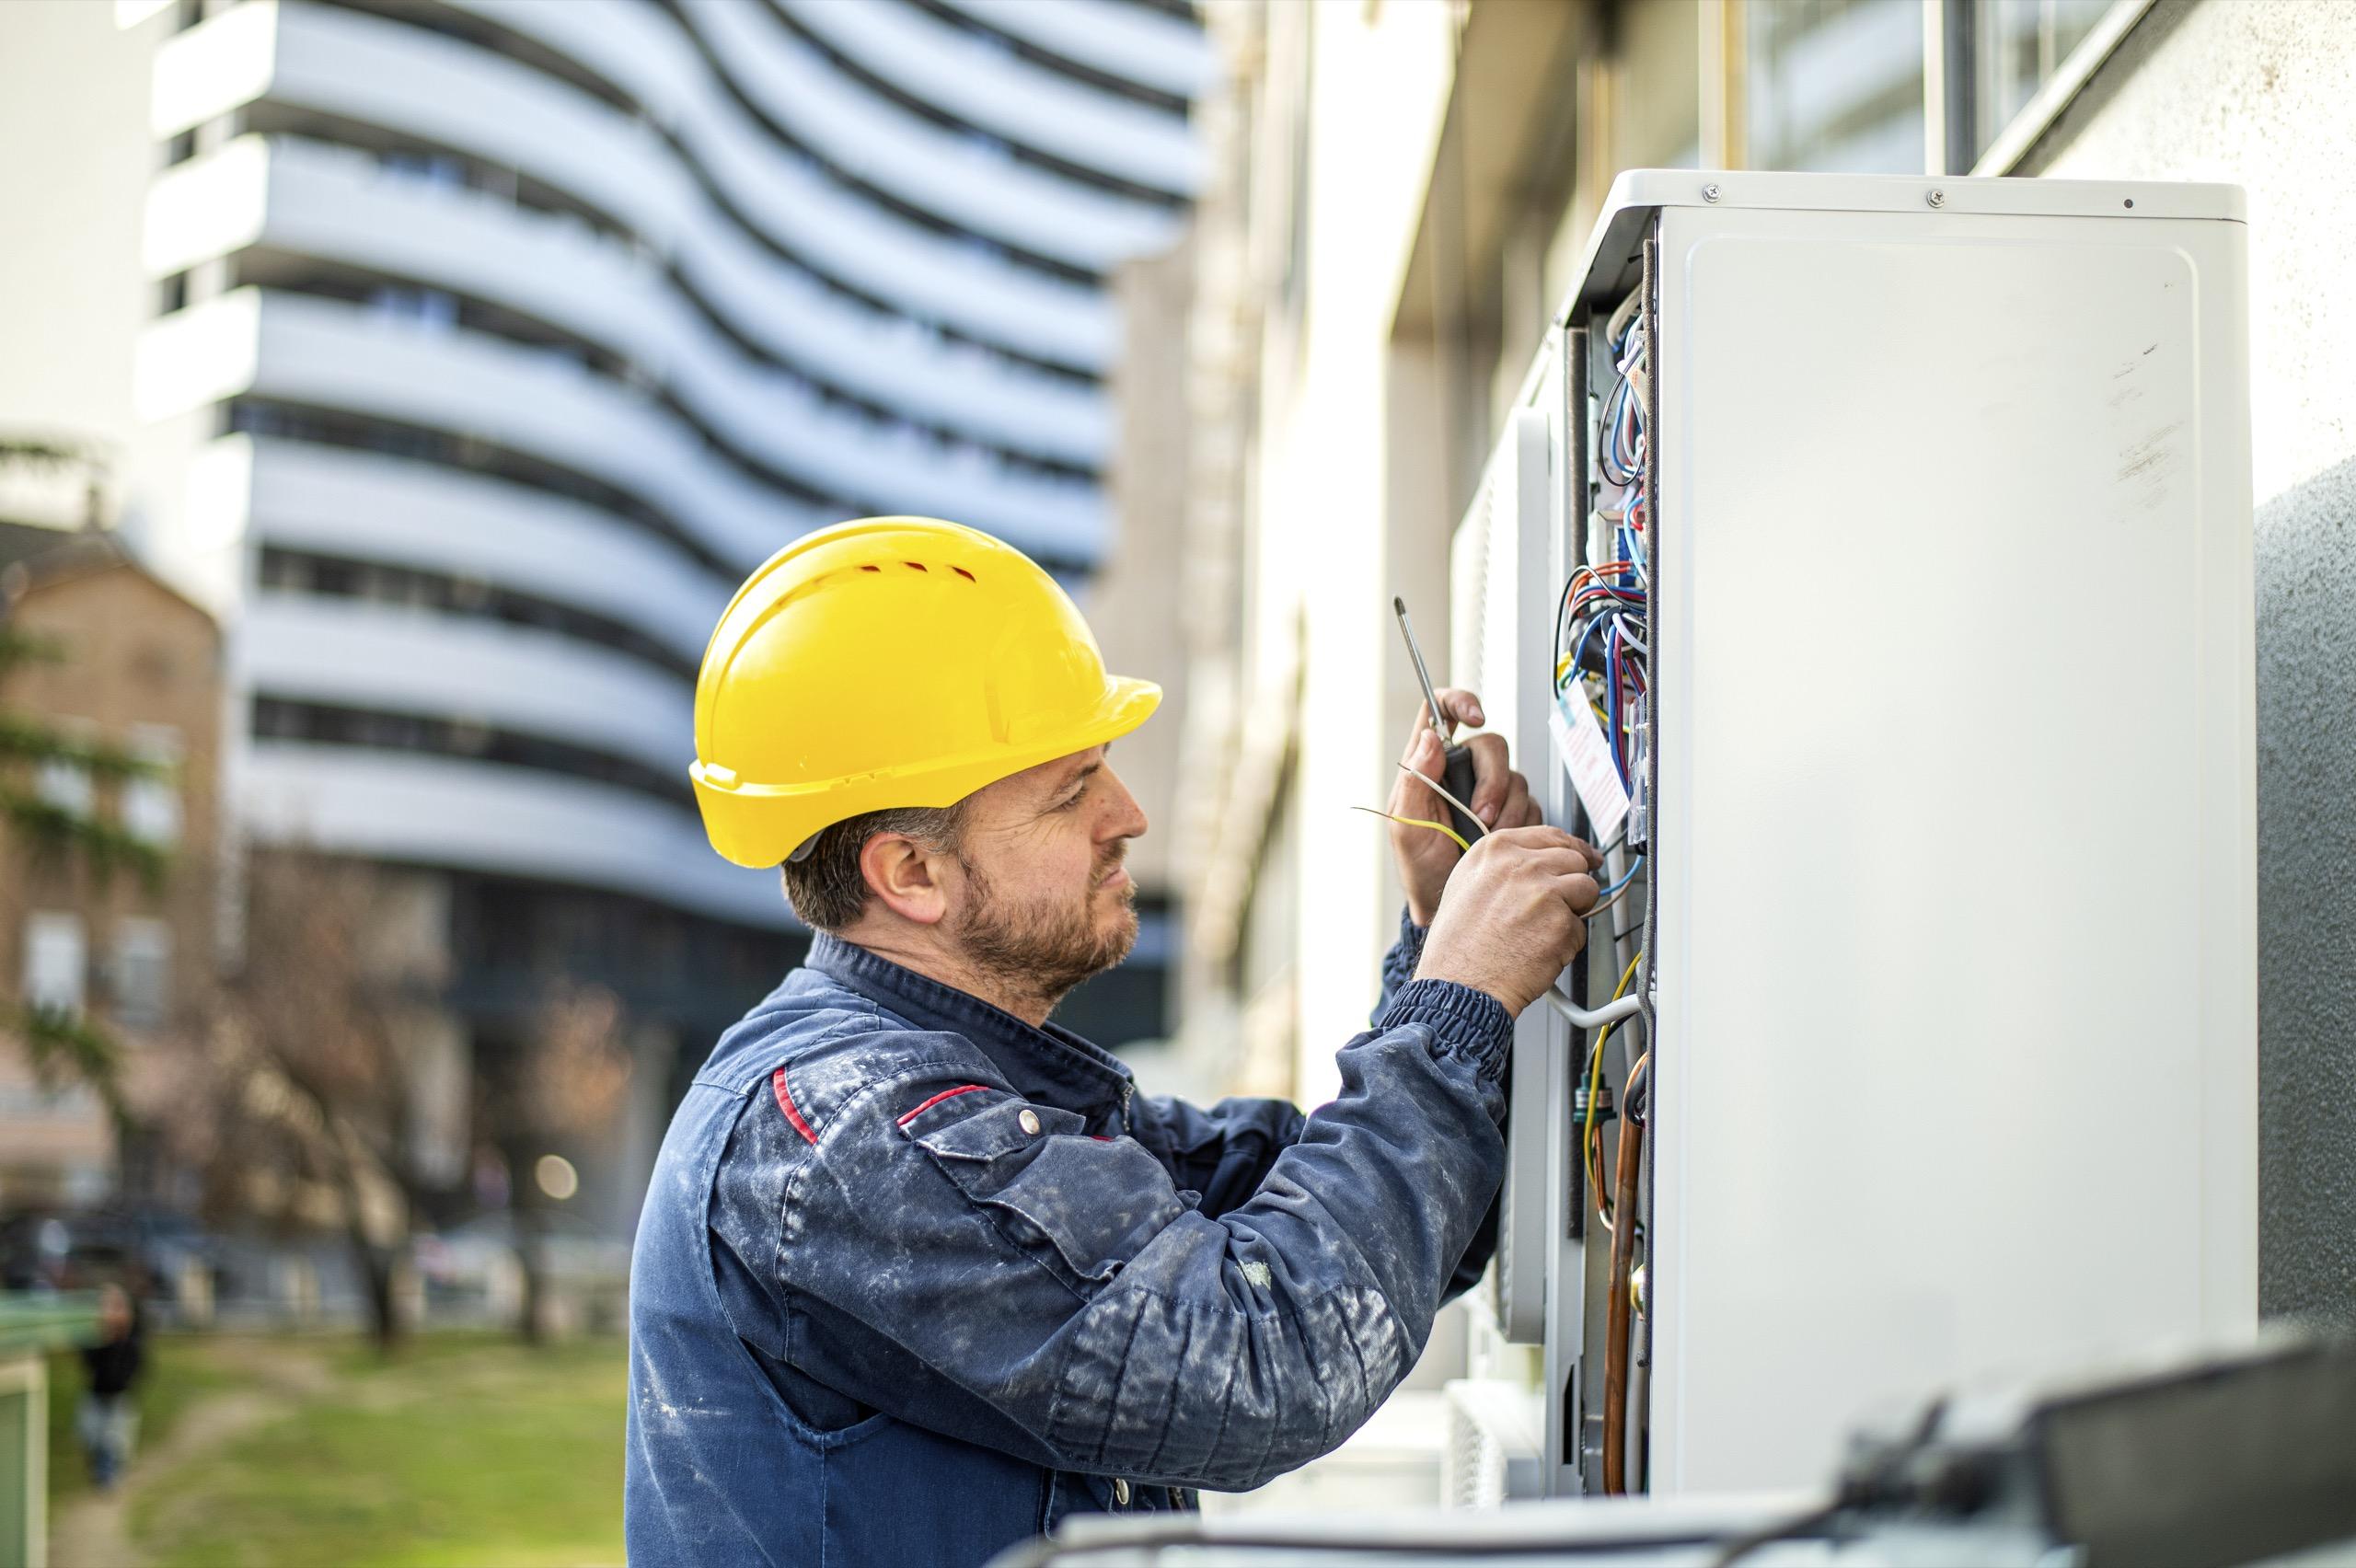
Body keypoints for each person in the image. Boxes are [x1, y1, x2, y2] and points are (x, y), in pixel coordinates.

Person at [626, 518, 1600, 1566]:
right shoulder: (847, 1132)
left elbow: (1385, 1233)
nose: (1128, 814)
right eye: (1069, 791)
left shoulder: (970, 1086)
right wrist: (1452, 1000)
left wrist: (1438, 936)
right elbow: (1275, 1354)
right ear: (909, 874)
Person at [78, 1282, 144, 1491]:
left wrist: (118, 1340)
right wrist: (103, 1336)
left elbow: (127, 1374)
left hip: (119, 1398)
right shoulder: (94, 1340)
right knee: (90, 1434)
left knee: (114, 1438)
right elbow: (89, 1365)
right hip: (96, 1395)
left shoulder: (132, 1343)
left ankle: (109, 1474)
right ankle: (102, 1470)